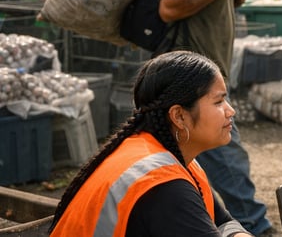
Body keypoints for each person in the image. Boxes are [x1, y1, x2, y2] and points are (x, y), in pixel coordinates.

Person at [157, 0, 272, 235]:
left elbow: (201, 4)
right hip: (193, 84)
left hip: (204, 80)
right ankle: (257, 228)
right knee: (229, 158)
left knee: (197, 158)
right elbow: (169, 7)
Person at [50, 51, 251, 237]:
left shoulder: (173, 159)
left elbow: (223, 222)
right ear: (179, 116)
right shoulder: (163, 185)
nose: (230, 110)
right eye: (218, 102)